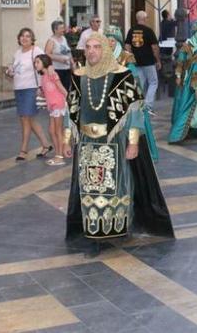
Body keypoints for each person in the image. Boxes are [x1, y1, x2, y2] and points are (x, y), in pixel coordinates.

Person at [64, 32, 174, 240]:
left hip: (114, 141)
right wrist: (66, 139)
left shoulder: (122, 76)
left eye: (96, 47)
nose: (91, 51)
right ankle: (93, 226)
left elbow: (134, 110)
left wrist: (133, 143)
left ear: (104, 49)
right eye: (88, 47)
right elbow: (69, 110)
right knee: (90, 187)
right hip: (87, 143)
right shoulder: (79, 76)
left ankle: (117, 226)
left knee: (116, 185)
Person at [105, 25, 159, 162]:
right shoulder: (103, 57)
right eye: (107, 40)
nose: (110, 43)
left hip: (125, 97)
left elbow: (134, 78)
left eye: (113, 40)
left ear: (118, 42)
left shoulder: (126, 57)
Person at [6, 28, 52, 160]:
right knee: (27, 119)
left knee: (27, 119)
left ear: (32, 39)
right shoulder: (17, 53)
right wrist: (9, 71)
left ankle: (23, 150)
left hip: (31, 88)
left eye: (27, 36)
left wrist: (42, 86)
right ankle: (45, 144)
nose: (24, 38)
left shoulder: (36, 51)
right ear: (19, 38)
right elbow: (15, 70)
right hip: (19, 89)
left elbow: (45, 67)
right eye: (22, 36)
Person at [34, 55, 69, 166]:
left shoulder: (51, 73)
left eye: (38, 62)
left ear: (44, 62)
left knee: (58, 131)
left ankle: (59, 156)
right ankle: (57, 154)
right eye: (35, 62)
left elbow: (60, 87)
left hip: (58, 104)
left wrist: (69, 98)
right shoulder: (43, 76)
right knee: (52, 131)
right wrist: (41, 93)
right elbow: (49, 92)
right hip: (52, 107)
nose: (36, 64)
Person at [124, 11, 161, 110]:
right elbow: (155, 48)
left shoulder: (131, 30)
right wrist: (158, 60)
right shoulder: (149, 31)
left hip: (136, 62)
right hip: (148, 61)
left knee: (140, 83)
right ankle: (148, 105)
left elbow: (127, 45)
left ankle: (138, 104)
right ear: (145, 19)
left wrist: (131, 56)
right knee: (153, 82)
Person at [45, 20, 74, 92]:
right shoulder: (51, 40)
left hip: (66, 69)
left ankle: (65, 103)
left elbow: (68, 52)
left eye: (63, 27)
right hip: (57, 70)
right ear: (55, 30)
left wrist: (72, 63)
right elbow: (47, 54)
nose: (63, 30)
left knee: (66, 90)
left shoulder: (63, 38)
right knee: (58, 91)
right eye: (61, 28)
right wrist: (59, 59)